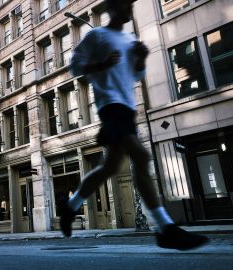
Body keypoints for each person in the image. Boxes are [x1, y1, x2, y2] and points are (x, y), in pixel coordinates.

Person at [60, 0, 209, 250]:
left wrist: (140, 59)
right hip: (110, 105)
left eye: (129, 4)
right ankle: (166, 228)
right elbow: (75, 67)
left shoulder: (131, 40)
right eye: (124, 4)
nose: (128, 8)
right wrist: (100, 65)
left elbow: (136, 75)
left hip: (128, 109)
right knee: (141, 156)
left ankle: (71, 206)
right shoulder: (97, 35)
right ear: (111, 7)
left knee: (109, 167)